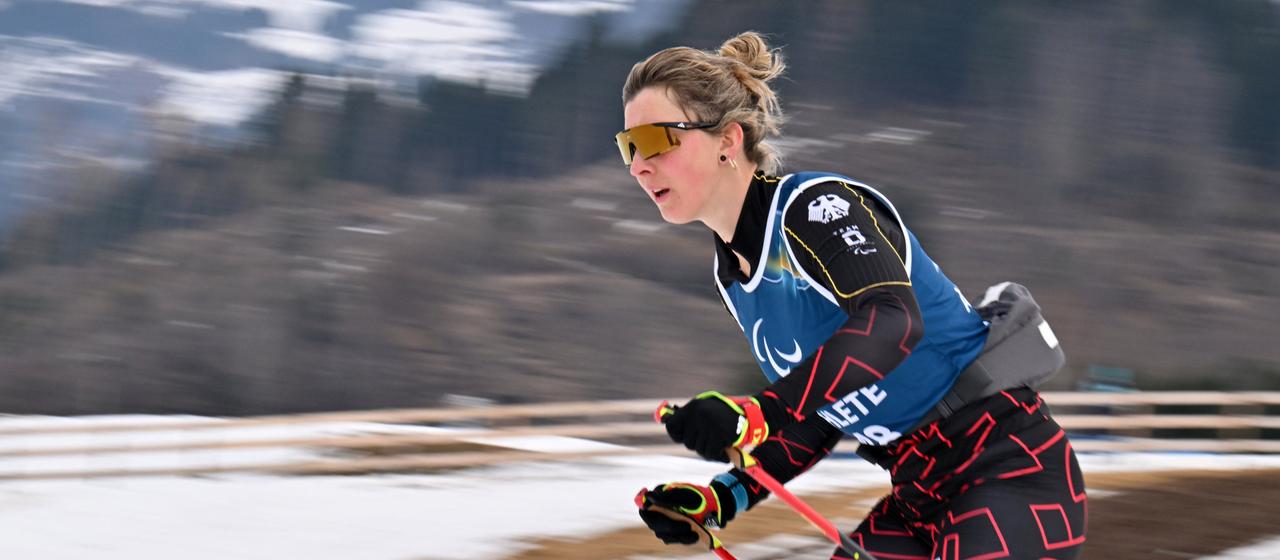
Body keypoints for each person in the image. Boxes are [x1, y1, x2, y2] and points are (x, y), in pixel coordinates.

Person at [619, 32, 1087, 559]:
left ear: (728, 140)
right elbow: (821, 410)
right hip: (916, 492)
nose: (638, 164)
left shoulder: (814, 209)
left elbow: (893, 321)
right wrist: (723, 497)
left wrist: (757, 413)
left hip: (1004, 467)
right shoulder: (734, 278)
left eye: (657, 140)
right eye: (629, 146)